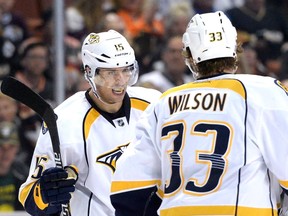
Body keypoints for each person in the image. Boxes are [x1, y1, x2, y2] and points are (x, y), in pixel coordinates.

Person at [110, 11, 288, 216]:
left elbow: (129, 191)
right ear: (235, 51)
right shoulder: (263, 92)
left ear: (190, 57)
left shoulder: (163, 103)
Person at [18, 30, 162, 216]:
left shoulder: (153, 104)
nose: (121, 81)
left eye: (126, 70)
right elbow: (29, 197)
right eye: (111, 72)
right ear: (89, 72)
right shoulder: (65, 121)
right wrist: (45, 194)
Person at [0, 121, 27, 212]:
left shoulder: (24, 174)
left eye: (11, 146)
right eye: (1, 146)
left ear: (17, 148)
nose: (6, 152)